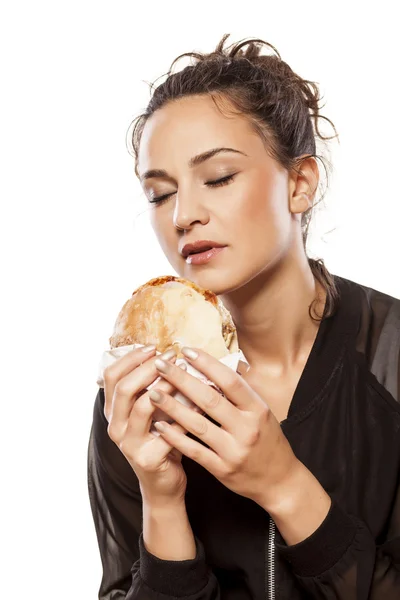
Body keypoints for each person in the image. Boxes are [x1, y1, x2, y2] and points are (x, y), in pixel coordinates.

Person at [87, 34, 400, 599]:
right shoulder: (136, 391)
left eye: (219, 177)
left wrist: (283, 485)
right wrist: (162, 498)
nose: (183, 215)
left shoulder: (391, 358)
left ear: (299, 183)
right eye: (160, 194)